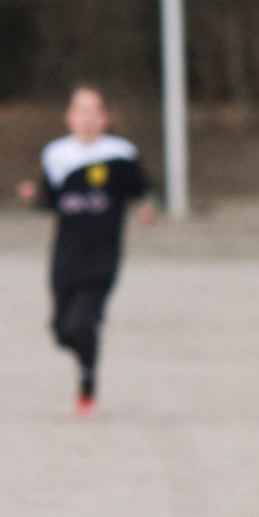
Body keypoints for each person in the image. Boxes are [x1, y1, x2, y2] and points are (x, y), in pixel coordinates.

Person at [14, 84, 154, 415]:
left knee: (81, 325)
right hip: (65, 253)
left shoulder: (120, 154)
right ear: (70, 117)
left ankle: (87, 381)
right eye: (81, 111)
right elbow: (49, 201)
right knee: (62, 331)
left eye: (94, 111)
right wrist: (33, 196)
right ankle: (84, 354)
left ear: (104, 117)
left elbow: (143, 190)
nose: (88, 118)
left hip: (102, 254)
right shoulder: (56, 154)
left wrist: (145, 207)